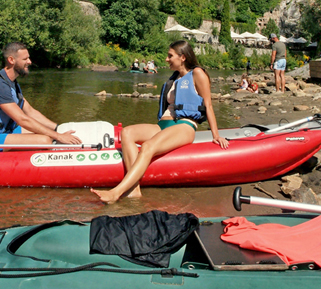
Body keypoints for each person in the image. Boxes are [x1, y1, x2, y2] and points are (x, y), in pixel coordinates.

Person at [91, 40, 228, 204]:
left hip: (184, 126)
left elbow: (209, 105)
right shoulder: (175, 78)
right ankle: (134, 190)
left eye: (170, 56)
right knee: (127, 132)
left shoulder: (197, 73)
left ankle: (116, 192)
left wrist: (216, 135)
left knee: (148, 146)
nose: (166, 59)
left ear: (182, 57)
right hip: (162, 125)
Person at [0, 42, 81, 151]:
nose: (29, 62)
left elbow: (30, 112)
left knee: (48, 133)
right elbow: (22, 119)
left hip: (4, 131)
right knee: (45, 140)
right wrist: (58, 137)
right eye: (25, 59)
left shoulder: (12, 83)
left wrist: (57, 129)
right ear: (11, 60)